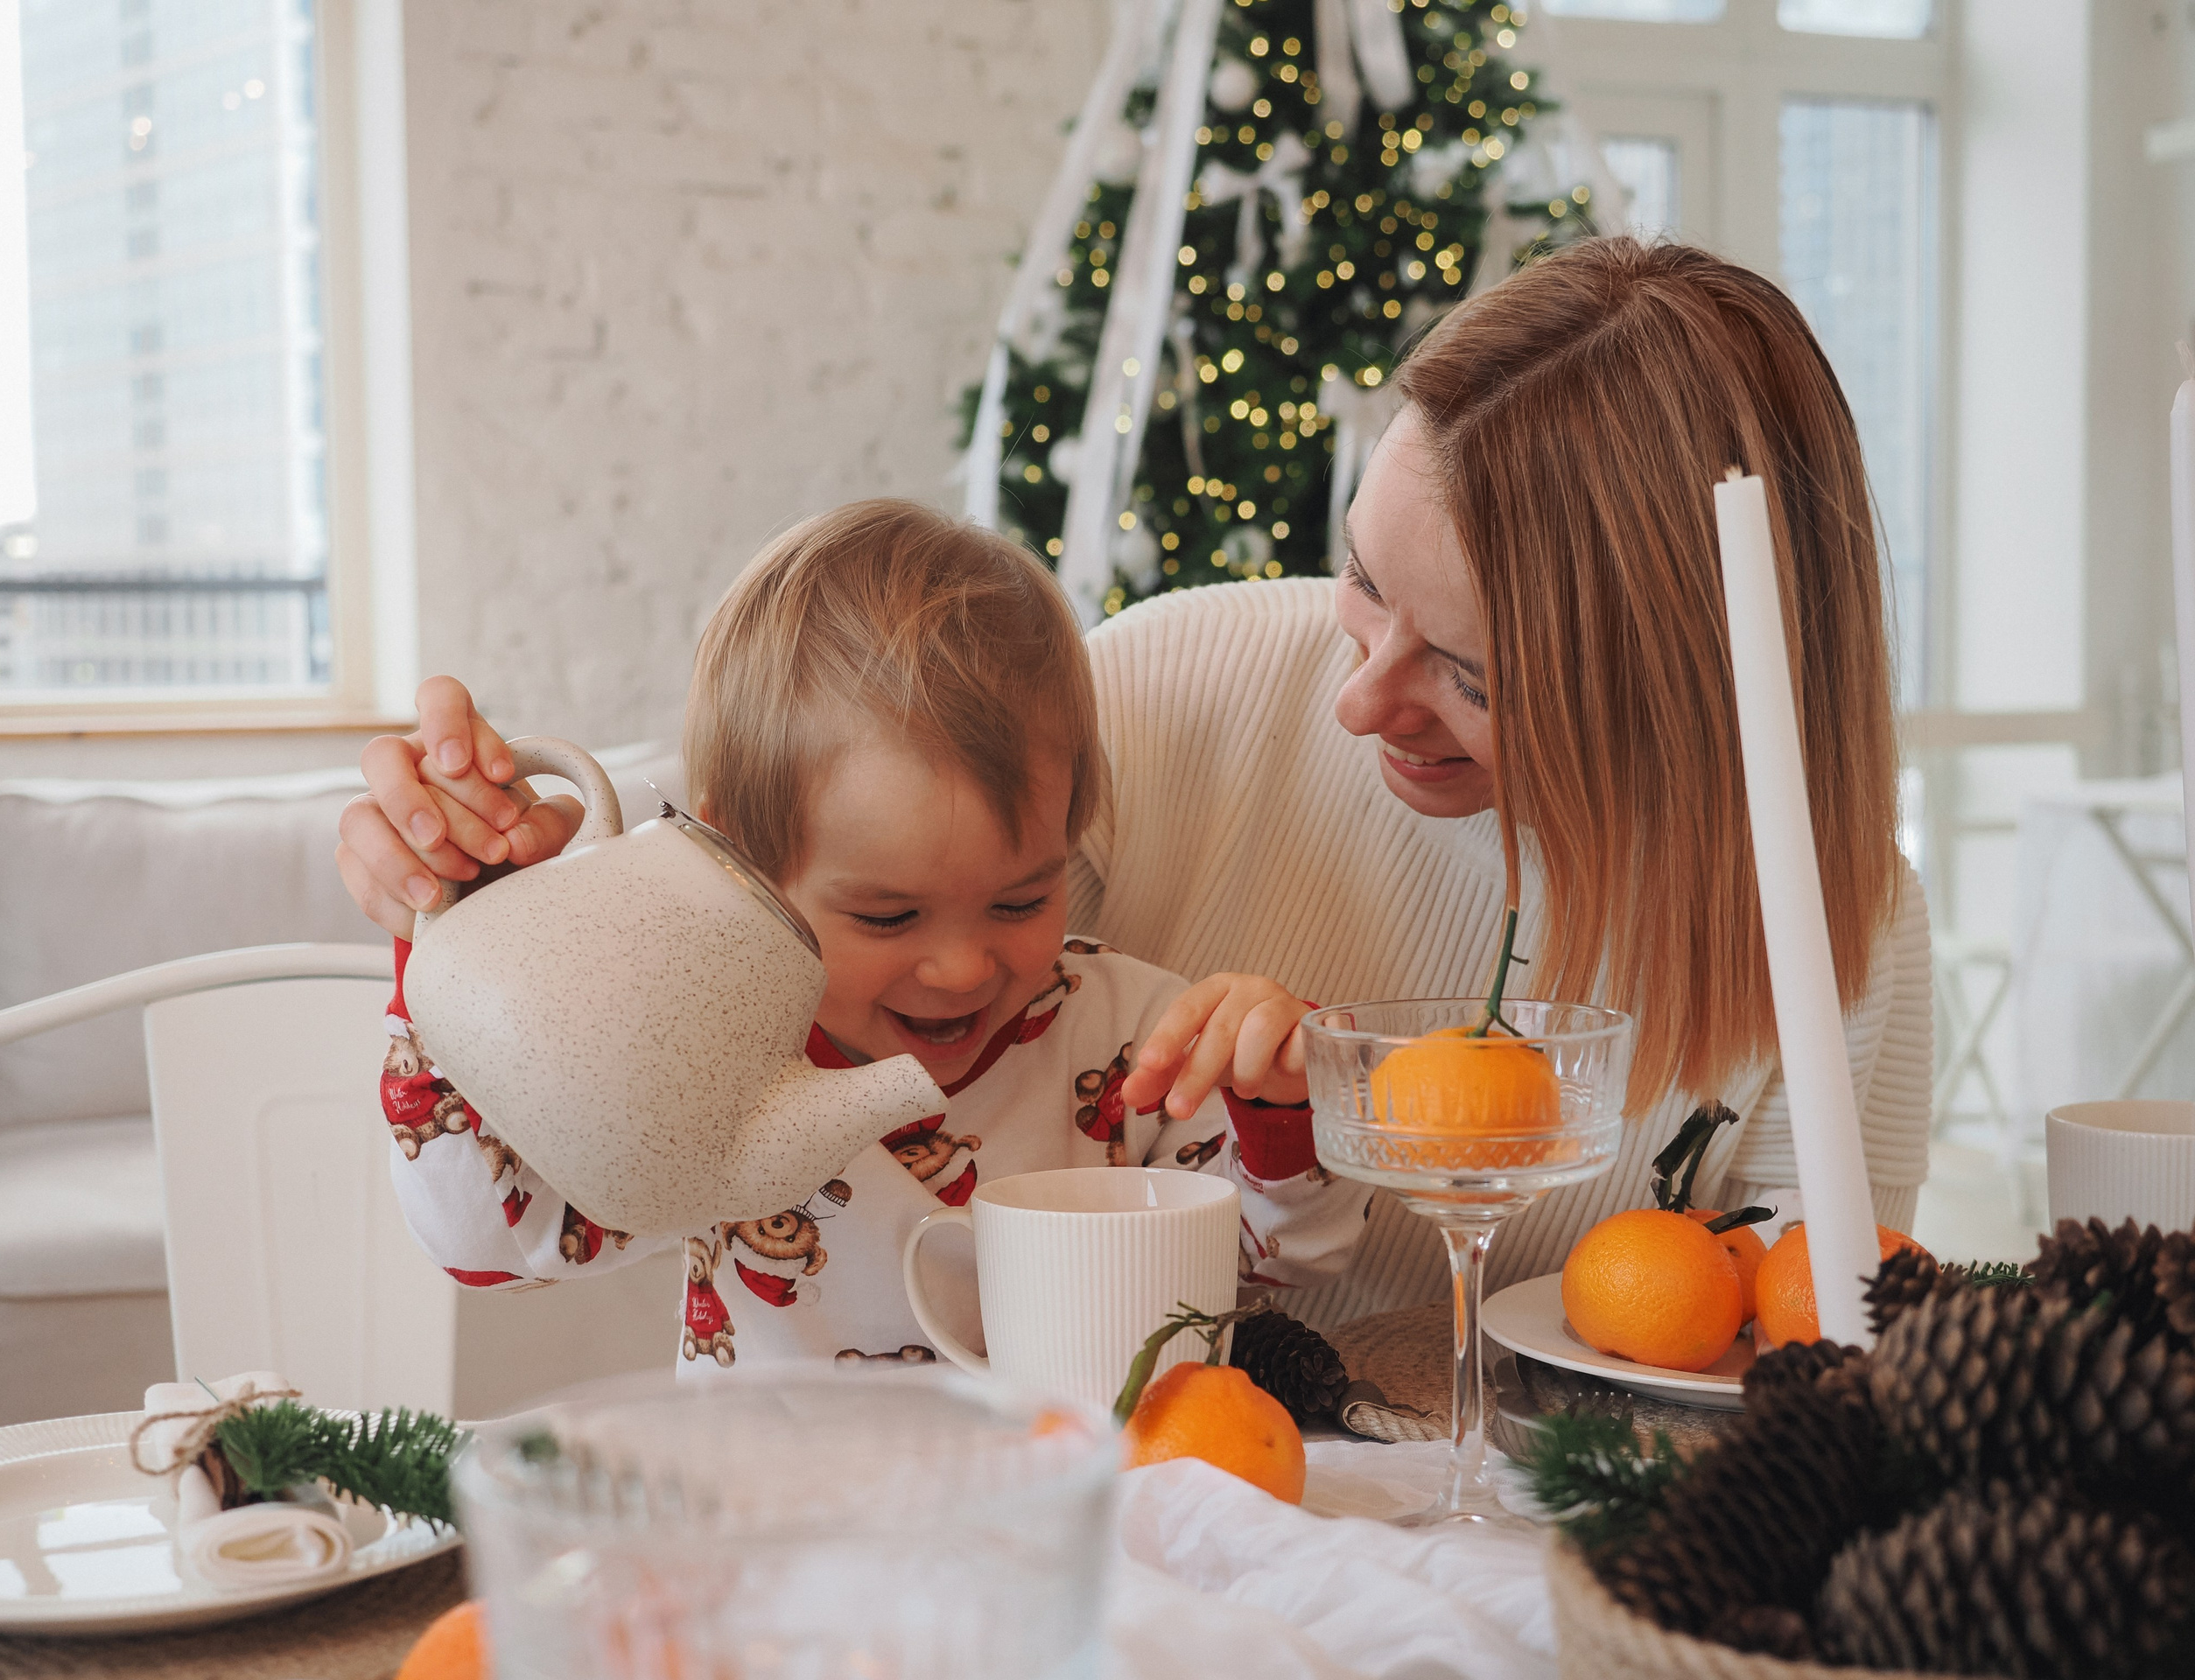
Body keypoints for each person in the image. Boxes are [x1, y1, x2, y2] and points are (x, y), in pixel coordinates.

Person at [340, 237, 1930, 1331]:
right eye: (1363, 580)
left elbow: (1798, 1350)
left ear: (1681, 697)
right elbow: (825, 792)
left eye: (1477, 675)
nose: (1361, 693)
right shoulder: (1189, 684)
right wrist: (516, 874)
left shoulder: (1830, 926)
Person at [375, 501, 1365, 1370]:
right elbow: (493, 1245)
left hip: (1062, 1534)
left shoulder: (1135, 1040)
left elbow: (1289, 1261)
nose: (964, 967)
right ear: (739, 862)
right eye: (888, 916)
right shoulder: (693, 1059)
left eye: (1021, 901)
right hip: (775, 1542)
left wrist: (1277, 1102)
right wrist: (460, 948)